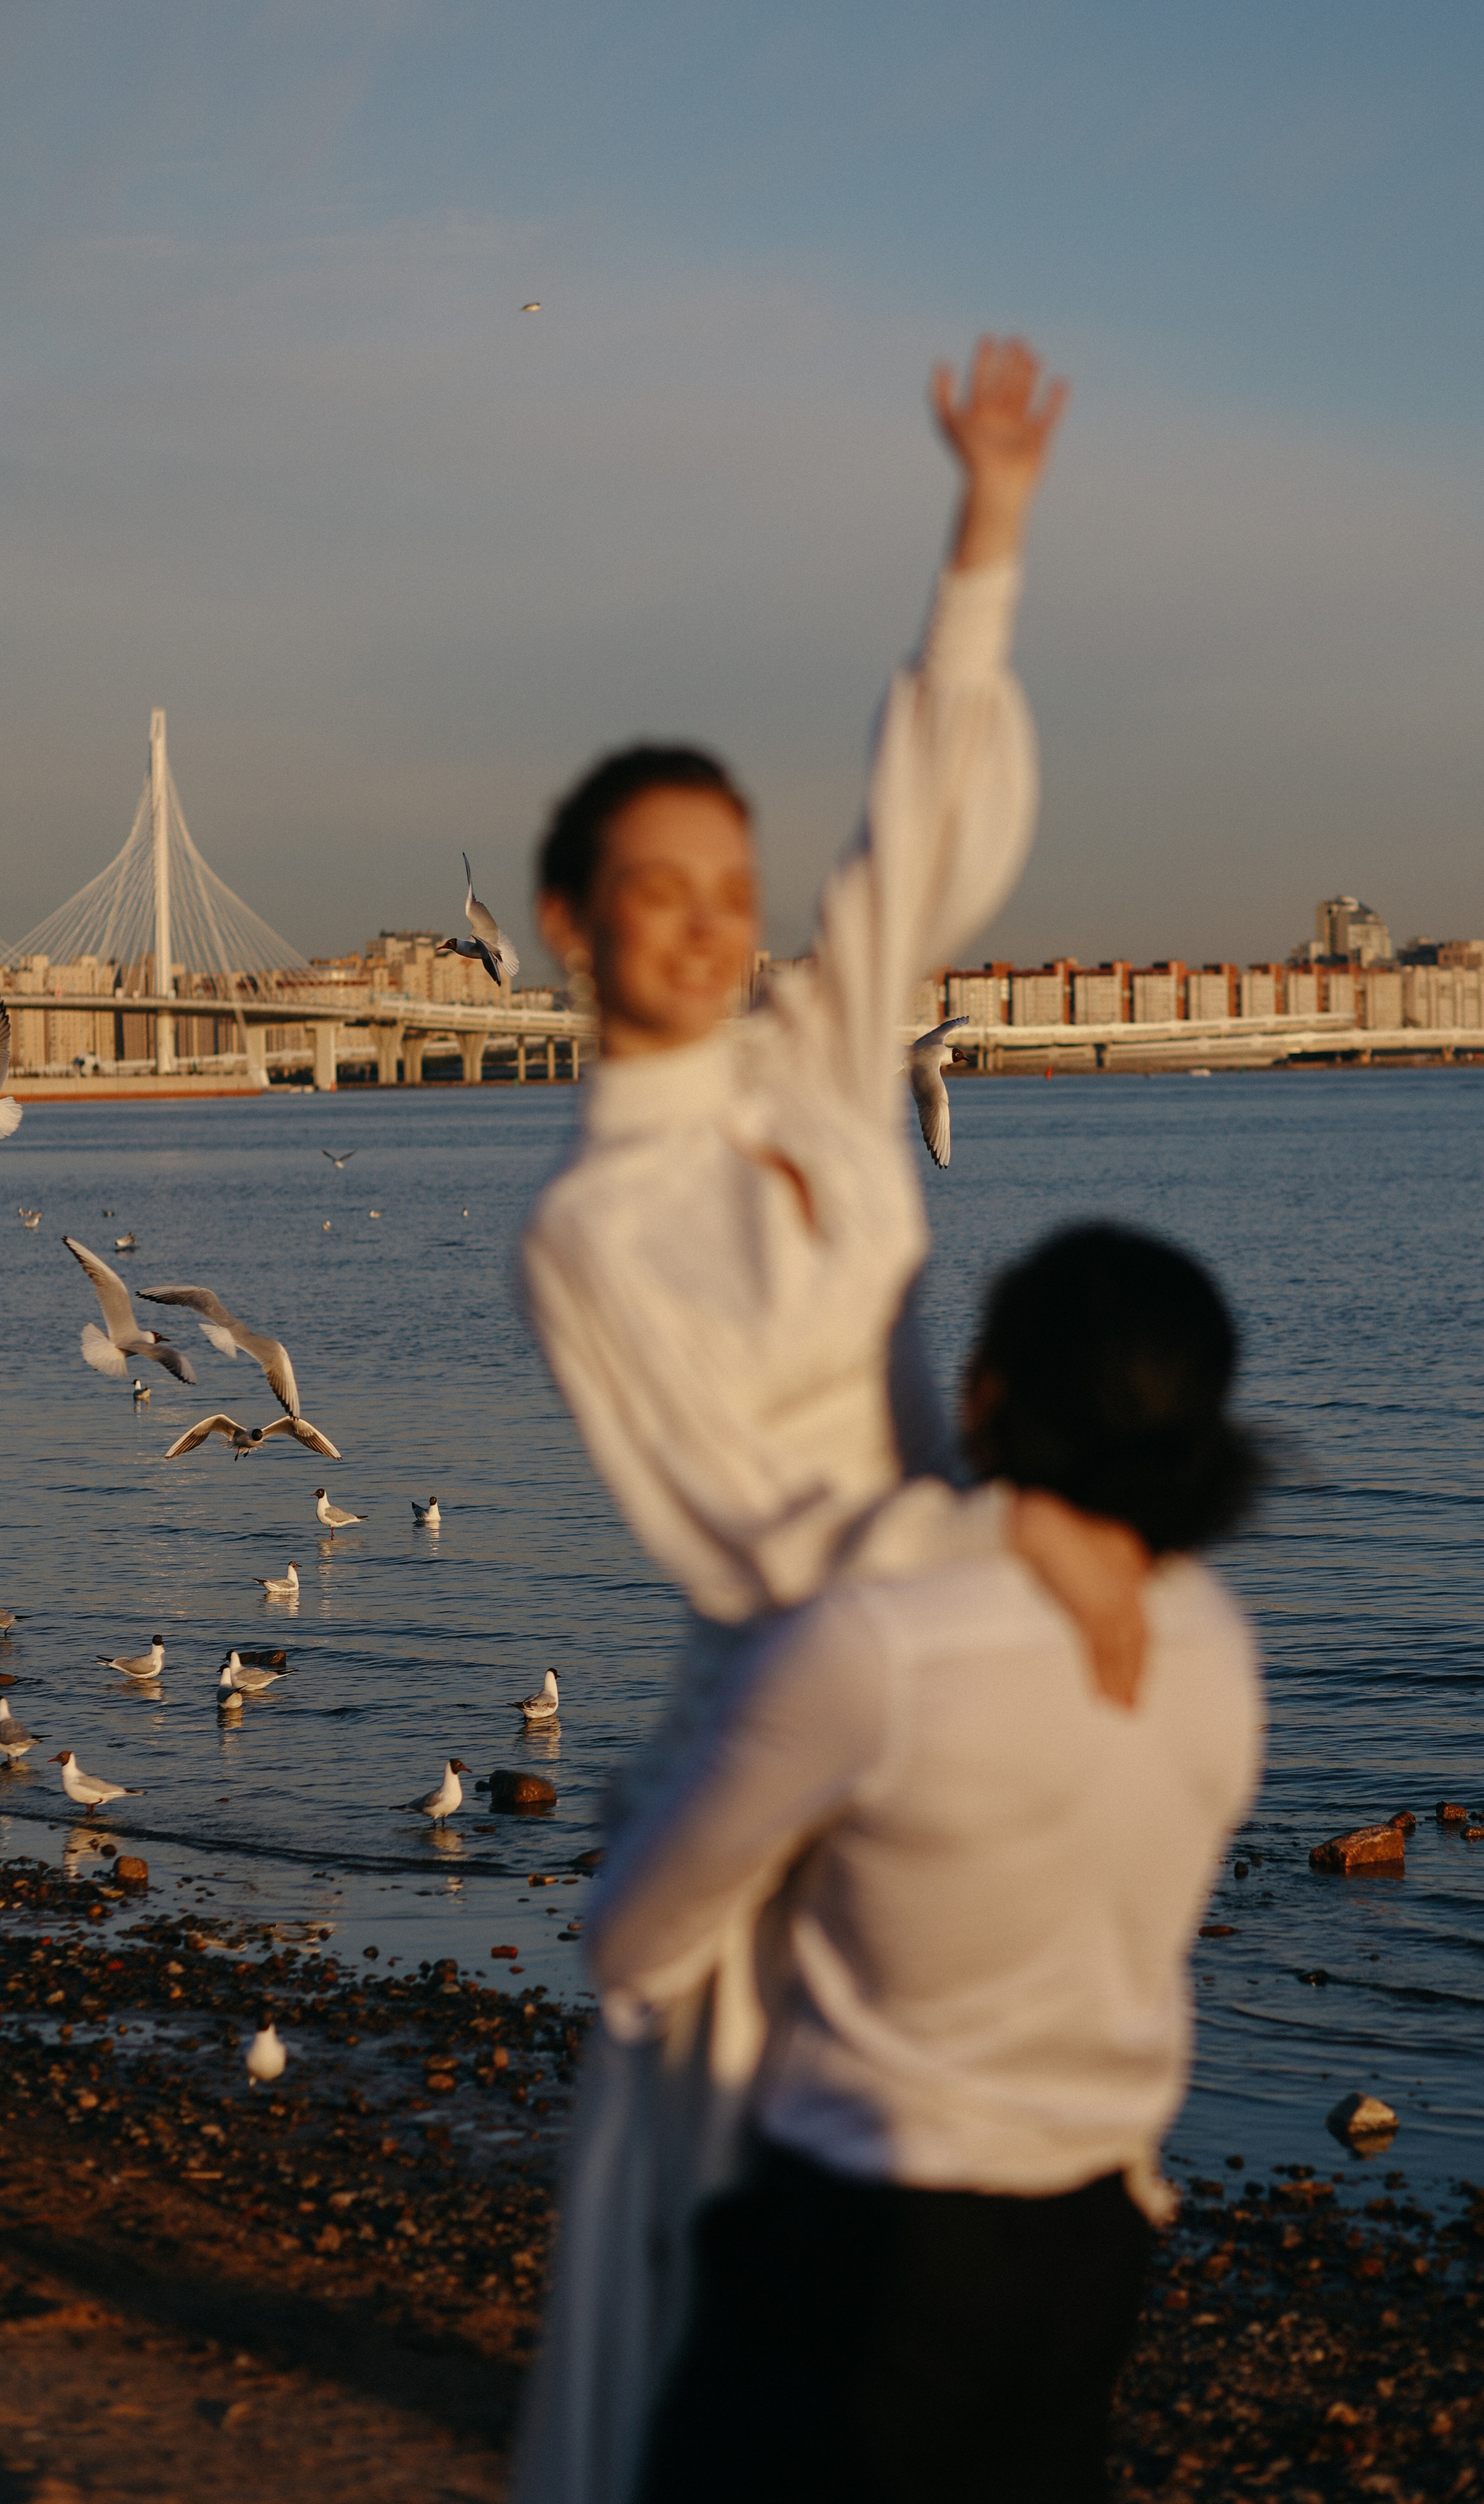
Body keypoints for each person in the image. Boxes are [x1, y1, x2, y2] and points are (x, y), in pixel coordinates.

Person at [514, 340, 1146, 2504]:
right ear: (568, 926)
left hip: (947, 1672)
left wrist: (987, 532)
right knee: (748, 2272)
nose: (711, 921)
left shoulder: (815, 1064)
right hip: (792, 1734)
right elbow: (762, 1530)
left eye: (730, 883)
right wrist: (1017, 1552)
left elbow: (916, 852)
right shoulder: (590, 1226)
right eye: (657, 889)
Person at [589, 1224, 1266, 2504]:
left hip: (865, 2237)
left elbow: (635, 1943)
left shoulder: (879, 1651)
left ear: (985, 1396)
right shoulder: (1214, 1647)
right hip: (1093, 2240)